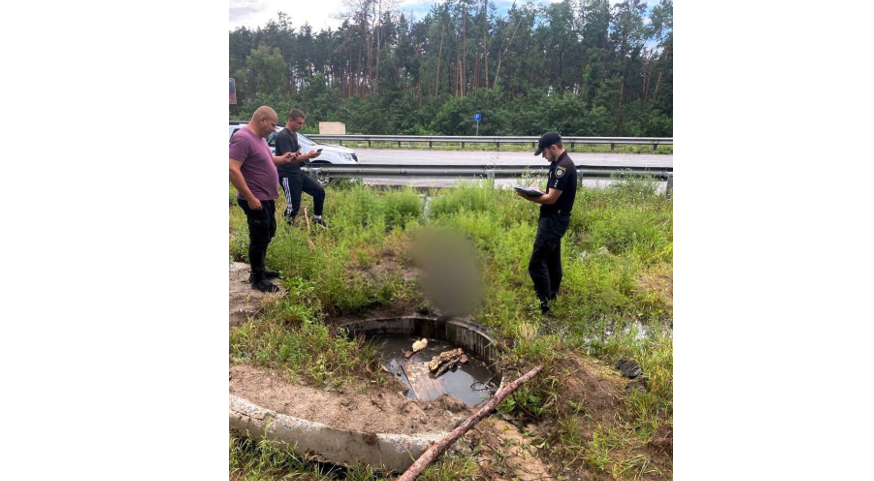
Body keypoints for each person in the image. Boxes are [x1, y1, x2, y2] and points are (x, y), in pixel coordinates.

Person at [229, 106, 298, 292]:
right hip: (254, 198)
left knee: (268, 231)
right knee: (259, 237)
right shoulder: (243, 139)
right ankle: (257, 278)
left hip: (265, 197)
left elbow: (268, 161)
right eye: (273, 125)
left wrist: (284, 158)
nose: (274, 129)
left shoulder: (260, 139)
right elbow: (232, 169)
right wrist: (250, 197)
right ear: (262, 120)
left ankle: (259, 270)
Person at [516, 132, 578, 314]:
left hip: (554, 219)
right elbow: (554, 193)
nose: (543, 156)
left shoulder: (563, 167)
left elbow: (551, 199)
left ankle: (544, 305)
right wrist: (538, 191)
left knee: (536, 263)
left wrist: (528, 196)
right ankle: (552, 295)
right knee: (552, 259)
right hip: (556, 218)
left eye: (543, 152)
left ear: (553, 147)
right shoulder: (559, 163)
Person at [274, 109, 327, 227]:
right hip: (287, 175)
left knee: (319, 192)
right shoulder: (283, 136)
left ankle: (317, 220)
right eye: (299, 123)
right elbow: (287, 158)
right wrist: (309, 156)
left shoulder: (294, 134)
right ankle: (288, 231)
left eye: (302, 123)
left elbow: (295, 155)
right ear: (290, 120)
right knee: (293, 207)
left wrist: (305, 155)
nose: (301, 126)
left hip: (297, 172)